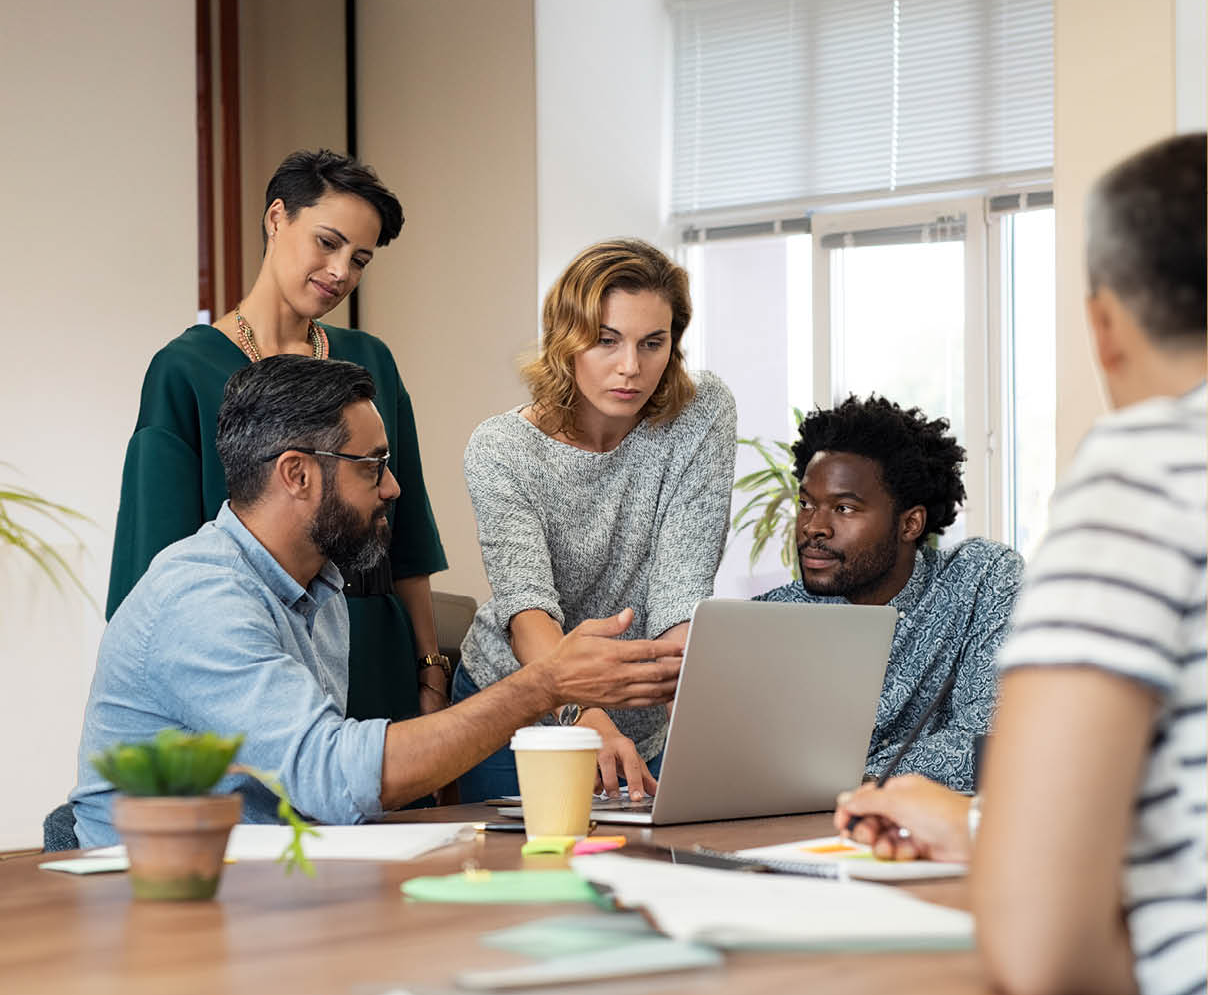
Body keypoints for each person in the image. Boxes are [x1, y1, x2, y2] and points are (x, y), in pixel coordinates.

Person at [832, 132, 1206, 995]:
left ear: (1103, 325)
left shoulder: (1145, 475)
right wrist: (991, 829)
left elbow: (1039, 943)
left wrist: (1028, 874)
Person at [70, 357, 685, 847]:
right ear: (297, 474)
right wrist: (542, 684)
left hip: (269, 883)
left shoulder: (321, 587)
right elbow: (331, 776)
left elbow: (316, 793)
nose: (392, 487)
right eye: (373, 466)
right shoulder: (200, 597)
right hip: (157, 902)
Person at [106, 149, 448, 726]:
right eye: (327, 242)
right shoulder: (186, 369)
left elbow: (404, 532)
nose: (341, 271)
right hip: (248, 657)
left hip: (374, 651)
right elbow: (152, 564)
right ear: (276, 218)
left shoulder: (371, 363)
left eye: (360, 258)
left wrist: (431, 668)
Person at [454, 239, 736, 804]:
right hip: (520, 709)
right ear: (567, 341)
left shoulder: (701, 414)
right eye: (606, 341)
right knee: (529, 881)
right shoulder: (503, 448)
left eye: (652, 343)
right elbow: (528, 611)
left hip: (638, 720)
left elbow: (681, 594)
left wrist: (703, 736)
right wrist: (587, 717)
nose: (631, 367)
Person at [758, 395, 1023, 791]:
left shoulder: (981, 579)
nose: (813, 527)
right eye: (806, 504)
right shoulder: (774, 616)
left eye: (844, 509)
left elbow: (989, 742)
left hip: (923, 836)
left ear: (910, 524)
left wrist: (852, 778)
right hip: (783, 830)